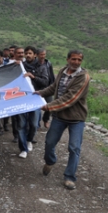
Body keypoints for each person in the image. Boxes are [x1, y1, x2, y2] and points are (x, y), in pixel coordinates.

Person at [36, 50, 89, 190]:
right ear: (67, 59)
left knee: (74, 148)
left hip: (76, 118)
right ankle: (50, 161)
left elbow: (70, 98)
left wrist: (49, 106)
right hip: (59, 116)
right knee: (49, 142)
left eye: (79, 60)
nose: (76, 62)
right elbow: (54, 87)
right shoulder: (62, 71)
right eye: (73, 59)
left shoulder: (83, 77)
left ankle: (69, 177)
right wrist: (40, 93)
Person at [18, 46, 49, 158]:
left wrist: (33, 77)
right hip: (21, 99)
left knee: (34, 124)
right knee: (21, 125)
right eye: (26, 53)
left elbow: (45, 82)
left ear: (35, 55)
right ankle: (23, 149)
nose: (28, 55)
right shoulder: (20, 67)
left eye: (30, 53)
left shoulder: (42, 67)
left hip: (35, 99)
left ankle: (29, 140)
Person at [37, 48, 55, 128]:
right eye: (41, 54)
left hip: (47, 87)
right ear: (37, 55)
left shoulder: (48, 63)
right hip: (37, 88)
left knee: (49, 105)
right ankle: (37, 122)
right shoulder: (34, 64)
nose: (43, 56)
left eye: (44, 54)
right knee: (37, 107)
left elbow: (51, 74)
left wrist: (53, 85)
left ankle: (46, 120)